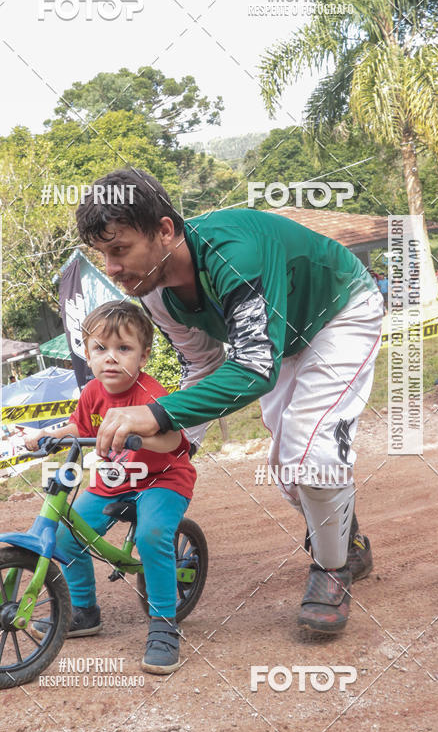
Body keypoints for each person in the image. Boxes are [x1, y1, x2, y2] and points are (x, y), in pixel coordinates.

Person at [74, 168, 384, 635]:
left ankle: (332, 569)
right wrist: (174, 446)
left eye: (119, 250)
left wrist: (156, 413)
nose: (111, 268)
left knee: (310, 452)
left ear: (164, 230)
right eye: (103, 254)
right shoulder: (155, 293)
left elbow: (256, 369)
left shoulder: (233, 254)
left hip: (338, 312)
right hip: (280, 341)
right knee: (290, 472)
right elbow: (203, 366)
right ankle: (347, 540)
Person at [24, 301, 196, 674]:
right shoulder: (91, 392)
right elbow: (82, 428)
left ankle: (164, 625)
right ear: (87, 355)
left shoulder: (152, 394)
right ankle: (84, 611)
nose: (111, 358)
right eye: (100, 348)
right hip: (115, 481)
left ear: (143, 356)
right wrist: (49, 434)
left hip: (162, 479)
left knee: (152, 536)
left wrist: (140, 436)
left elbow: (172, 441)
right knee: (67, 535)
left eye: (124, 348)